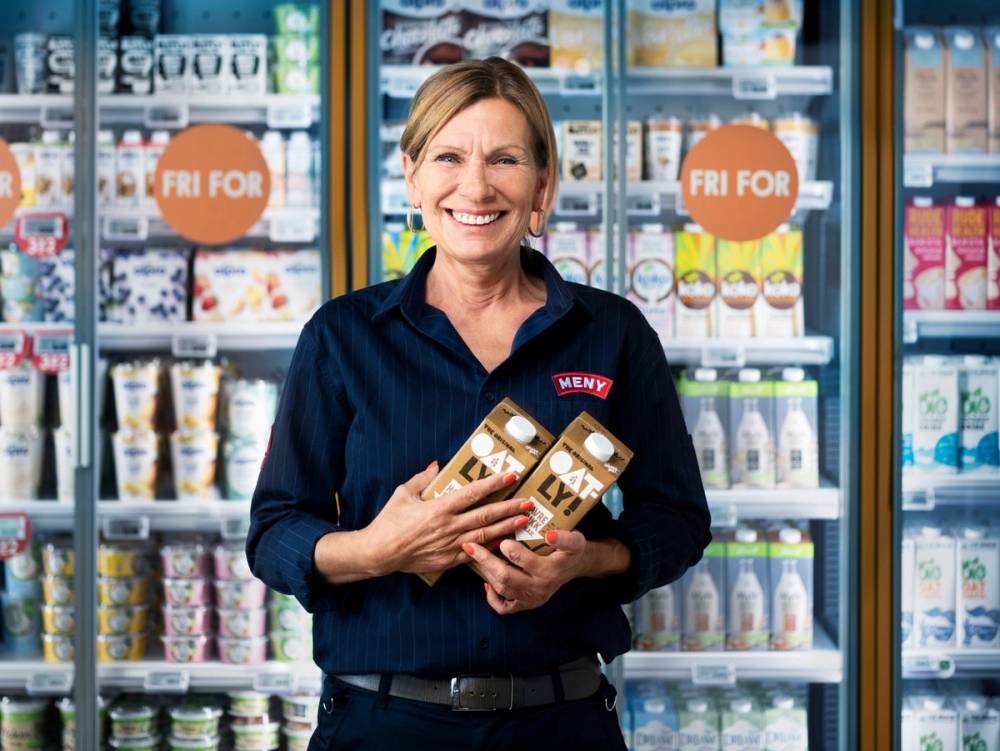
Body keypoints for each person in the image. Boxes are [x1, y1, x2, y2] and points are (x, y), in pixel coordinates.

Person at [246, 56, 710, 751]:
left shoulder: (613, 335)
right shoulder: (343, 336)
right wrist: (379, 548)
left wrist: (584, 560)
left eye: (505, 159)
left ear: (541, 185)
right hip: (382, 725)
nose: (476, 185)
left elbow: (677, 520)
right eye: (449, 157)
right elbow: (273, 532)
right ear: (412, 176)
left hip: (562, 722)